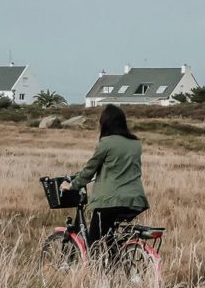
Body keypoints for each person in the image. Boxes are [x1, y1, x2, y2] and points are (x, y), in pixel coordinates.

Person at [61, 104, 149, 259]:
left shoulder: (106, 143)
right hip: (135, 200)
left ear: (106, 123)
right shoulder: (136, 143)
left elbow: (89, 170)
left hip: (110, 200)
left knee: (93, 241)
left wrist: (72, 185)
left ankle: (97, 275)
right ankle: (114, 265)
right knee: (109, 236)